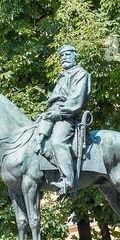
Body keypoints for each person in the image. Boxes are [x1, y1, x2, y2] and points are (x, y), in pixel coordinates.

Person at [36, 45, 91, 196]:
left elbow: (76, 101)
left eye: (68, 54)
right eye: (62, 56)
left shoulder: (81, 74)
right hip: (54, 113)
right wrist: (48, 114)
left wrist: (58, 114)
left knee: (58, 141)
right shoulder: (62, 77)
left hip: (69, 117)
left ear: (75, 56)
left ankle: (68, 181)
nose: (64, 57)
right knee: (34, 136)